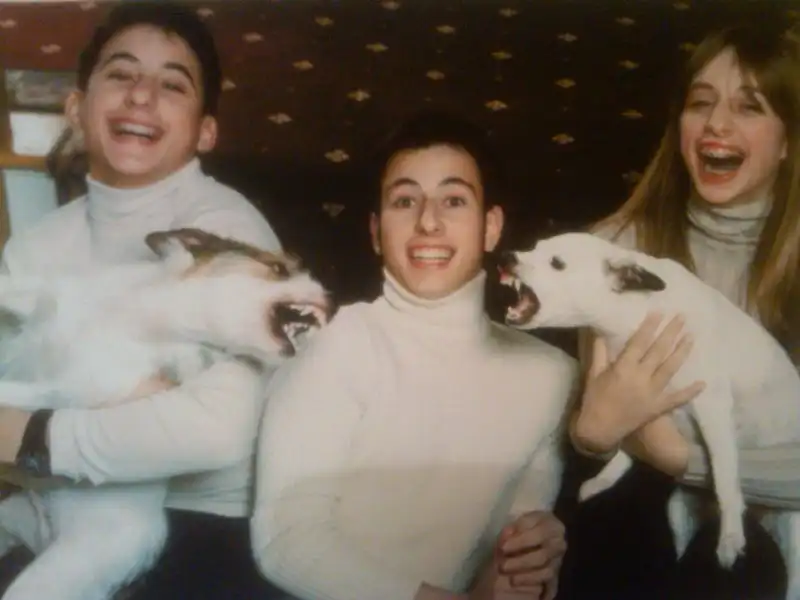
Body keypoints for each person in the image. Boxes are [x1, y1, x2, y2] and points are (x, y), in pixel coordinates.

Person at [0, 3, 289, 598]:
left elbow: (216, 431)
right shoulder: (36, 246)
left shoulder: (226, 235)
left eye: (172, 85)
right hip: (49, 499)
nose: (141, 96)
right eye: (121, 74)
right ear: (76, 107)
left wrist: (35, 437)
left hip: (195, 526)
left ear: (205, 132)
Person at [250, 111, 576, 600]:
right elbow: (285, 540)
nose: (428, 222)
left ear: (491, 227)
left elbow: (512, 559)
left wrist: (535, 551)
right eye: (405, 201)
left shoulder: (551, 374)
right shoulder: (336, 343)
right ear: (376, 231)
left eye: (454, 200)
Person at [564, 19, 800, 600]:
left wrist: (680, 457)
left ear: (788, 141)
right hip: (647, 527)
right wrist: (592, 438)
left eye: (749, 107)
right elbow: (597, 430)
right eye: (700, 103)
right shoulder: (614, 249)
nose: (717, 123)